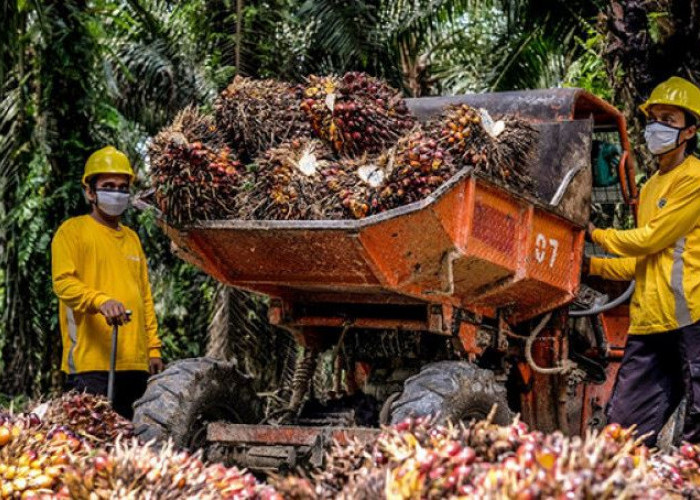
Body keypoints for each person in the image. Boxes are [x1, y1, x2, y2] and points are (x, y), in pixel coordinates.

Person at [587, 76, 700, 446]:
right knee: (622, 436)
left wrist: (596, 235)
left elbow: (651, 239)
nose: (658, 126)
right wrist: (590, 266)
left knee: (695, 437)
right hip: (650, 324)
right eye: (654, 117)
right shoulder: (650, 187)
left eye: (669, 119)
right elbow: (644, 261)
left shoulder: (695, 179)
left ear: (690, 131)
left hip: (690, 321)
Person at [51, 146, 164, 419]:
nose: (117, 193)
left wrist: (153, 348)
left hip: (135, 365)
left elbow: (144, 296)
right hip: (91, 365)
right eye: (108, 186)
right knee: (90, 445)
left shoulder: (132, 239)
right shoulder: (73, 231)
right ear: (91, 192)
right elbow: (64, 284)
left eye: (123, 187)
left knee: (131, 447)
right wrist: (101, 302)